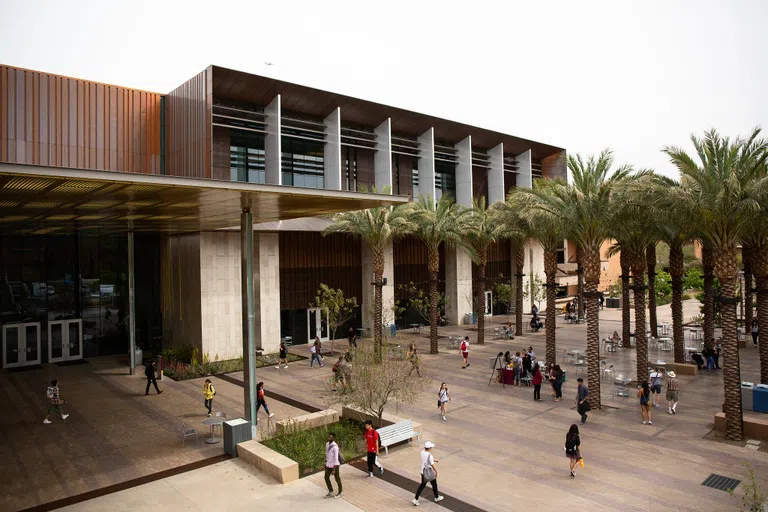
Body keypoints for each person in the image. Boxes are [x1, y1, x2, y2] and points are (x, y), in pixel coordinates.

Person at [412, 441, 443, 505]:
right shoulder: (430, 455)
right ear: (429, 448)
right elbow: (432, 464)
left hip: (423, 472)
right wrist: (436, 472)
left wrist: (434, 460)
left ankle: (416, 499)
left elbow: (426, 459)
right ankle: (436, 497)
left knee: (422, 485)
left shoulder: (422, 452)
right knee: (434, 485)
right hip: (429, 473)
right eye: (431, 447)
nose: (432, 448)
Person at [324, 432, 343, 499]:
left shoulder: (335, 447)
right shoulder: (327, 444)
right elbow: (327, 454)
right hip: (328, 464)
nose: (329, 438)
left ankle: (340, 492)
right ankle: (331, 491)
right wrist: (325, 463)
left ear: (333, 438)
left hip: (335, 465)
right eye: (329, 437)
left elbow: (336, 458)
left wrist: (334, 469)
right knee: (326, 477)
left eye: (331, 437)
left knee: (337, 479)